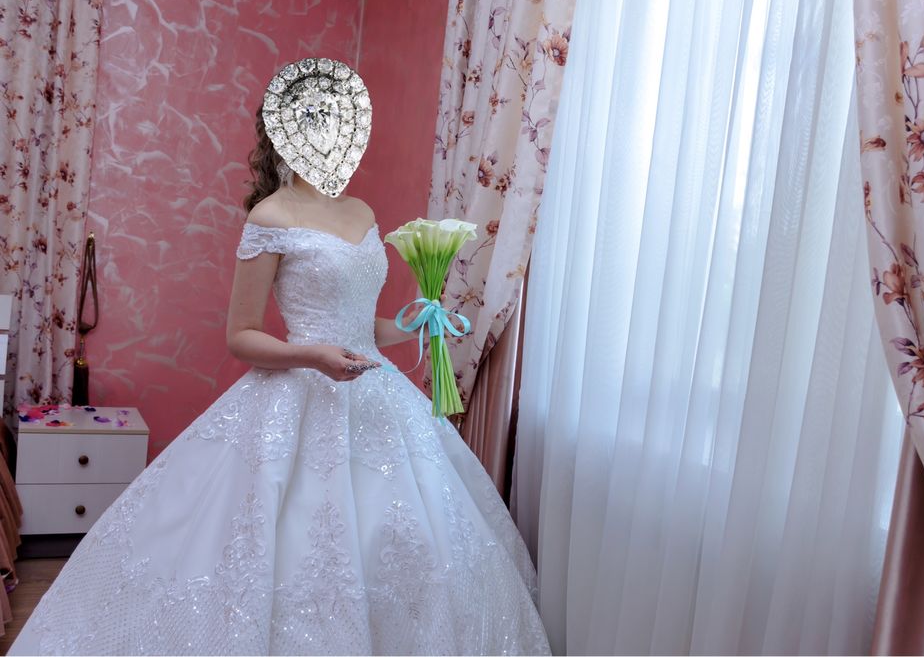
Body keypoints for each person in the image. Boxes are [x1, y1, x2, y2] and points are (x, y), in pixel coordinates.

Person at [9, 58, 550, 656]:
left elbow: (359, 325)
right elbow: (241, 335)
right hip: (298, 392)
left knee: (412, 536)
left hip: (375, 392)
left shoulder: (363, 213)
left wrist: (410, 323)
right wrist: (312, 356)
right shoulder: (270, 216)